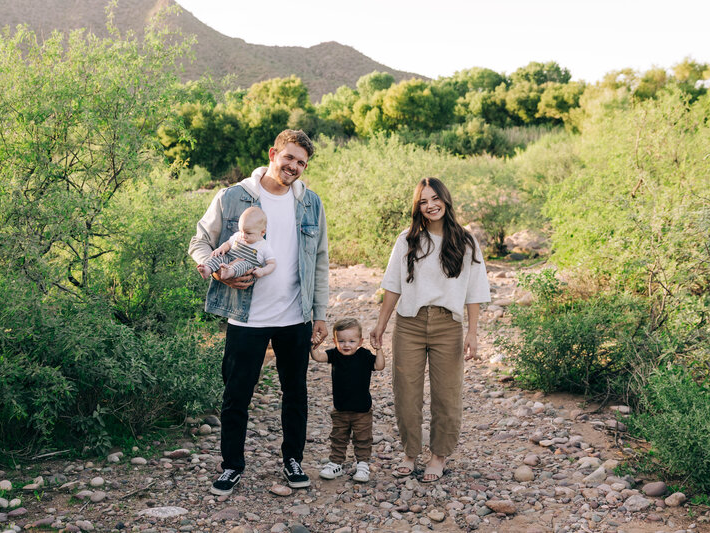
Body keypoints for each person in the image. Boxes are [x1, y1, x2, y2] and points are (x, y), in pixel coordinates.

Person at [188, 130, 329, 496]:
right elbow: (200, 242)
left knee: (295, 392)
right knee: (237, 394)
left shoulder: (311, 203)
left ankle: (292, 460)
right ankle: (232, 466)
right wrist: (217, 270)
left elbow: (320, 262)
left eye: (302, 163)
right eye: (290, 158)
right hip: (245, 317)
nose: (295, 167)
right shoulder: (233, 197)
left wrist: (321, 313)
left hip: (294, 317)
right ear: (273, 154)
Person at [369, 177, 490, 483]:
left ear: (445, 200)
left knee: (446, 395)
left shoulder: (465, 241)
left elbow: (474, 291)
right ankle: (410, 454)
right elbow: (392, 286)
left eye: (435, 198)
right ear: (417, 207)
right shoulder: (407, 240)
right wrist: (381, 324)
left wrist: (473, 332)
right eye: (423, 201)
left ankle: (438, 455)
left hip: (448, 326)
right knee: (406, 392)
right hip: (409, 323)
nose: (430, 205)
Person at [310, 318, 385, 483]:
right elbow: (318, 357)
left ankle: (362, 464)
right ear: (335, 340)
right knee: (338, 437)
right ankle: (335, 463)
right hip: (340, 409)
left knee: (363, 439)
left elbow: (379, 366)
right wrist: (314, 346)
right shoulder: (335, 355)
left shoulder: (364, 355)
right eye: (341, 341)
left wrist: (378, 349)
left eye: (352, 341)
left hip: (362, 410)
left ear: (360, 341)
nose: (346, 345)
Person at [197, 207, 276, 281]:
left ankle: (229, 272)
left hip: (245, 269)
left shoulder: (263, 246)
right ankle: (207, 269)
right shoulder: (238, 236)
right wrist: (221, 249)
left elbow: (272, 264)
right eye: (241, 231)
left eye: (248, 233)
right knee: (219, 257)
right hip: (229, 259)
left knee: (244, 264)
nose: (243, 236)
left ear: (262, 232)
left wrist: (262, 271)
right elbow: (228, 244)